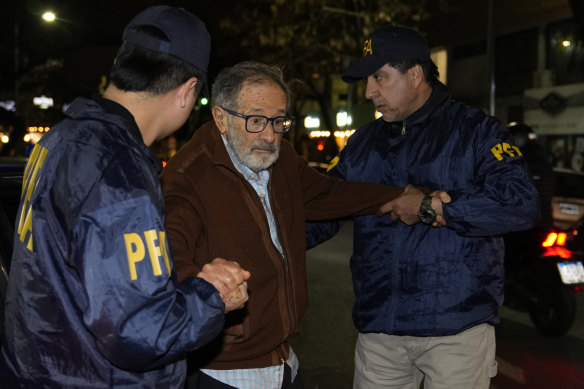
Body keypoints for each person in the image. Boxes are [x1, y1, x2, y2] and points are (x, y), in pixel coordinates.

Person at [0, 6, 250, 388]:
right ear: (187, 91)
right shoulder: (117, 167)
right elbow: (140, 331)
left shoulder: (59, 139)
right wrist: (212, 295)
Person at [159, 60, 446, 389]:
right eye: (255, 120)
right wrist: (210, 303)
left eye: (279, 121)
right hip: (225, 374)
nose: (269, 135)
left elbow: (332, 194)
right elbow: (169, 261)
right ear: (221, 118)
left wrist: (403, 197)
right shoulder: (186, 179)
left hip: (284, 365)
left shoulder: (283, 163)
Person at [306, 25, 540, 389]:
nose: (369, 92)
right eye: (367, 80)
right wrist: (262, 235)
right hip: (380, 330)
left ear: (415, 74)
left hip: (456, 330)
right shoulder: (362, 144)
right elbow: (324, 209)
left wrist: (432, 208)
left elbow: (520, 203)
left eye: (379, 77)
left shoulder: (477, 131)